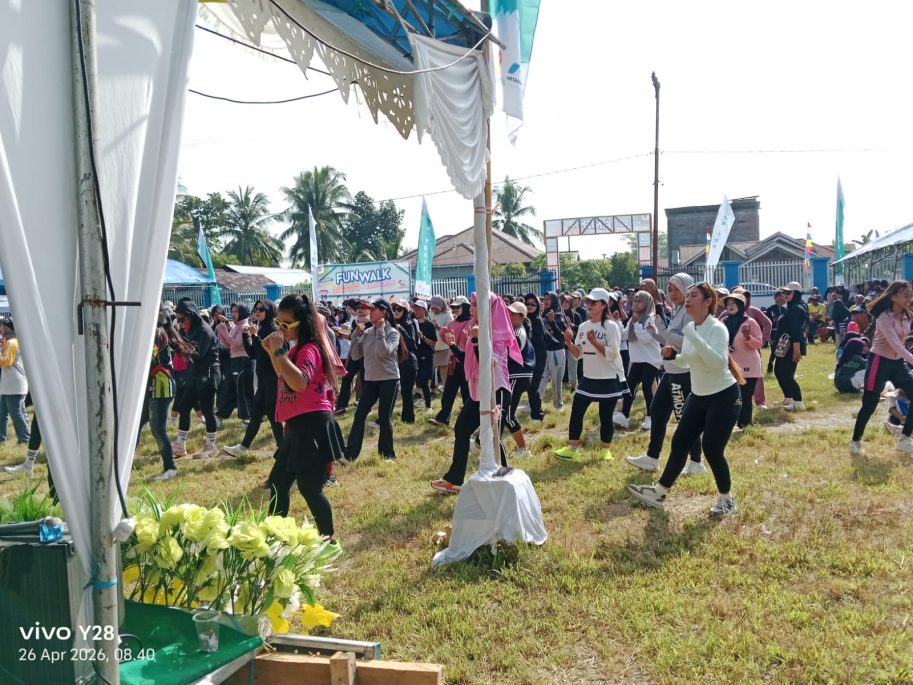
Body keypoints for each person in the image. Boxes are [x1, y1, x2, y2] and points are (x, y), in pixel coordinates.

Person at [628, 283, 744, 516]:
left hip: (724, 397)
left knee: (712, 449)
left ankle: (727, 500)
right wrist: (674, 356)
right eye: (687, 295)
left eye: (693, 296)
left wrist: (692, 336)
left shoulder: (717, 328)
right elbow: (689, 360)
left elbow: (717, 363)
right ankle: (659, 492)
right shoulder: (692, 327)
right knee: (680, 442)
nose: (688, 299)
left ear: (708, 301)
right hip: (698, 396)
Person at [262, 294, 343, 558]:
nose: (280, 329)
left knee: (310, 488)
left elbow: (299, 383)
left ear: (302, 323)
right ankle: (275, 538)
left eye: (286, 324)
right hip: (298, 427)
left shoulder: (310, 349)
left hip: (313, 425)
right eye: (278, 323)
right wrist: (273, 353)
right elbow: (283, 375)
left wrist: (278, 352)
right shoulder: (295, 349)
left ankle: (329, 541)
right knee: (278, 483)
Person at [431, 293, 521, 494]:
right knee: (462, 429)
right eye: (471, 305)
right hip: (479, 392)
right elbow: (467, 359)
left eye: (475, 305)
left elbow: (488, 365)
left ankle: (505, 480)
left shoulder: (495, 333)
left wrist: (477, 341)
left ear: (489, 309)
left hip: (496, 392)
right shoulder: (476, 329)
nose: (471, 309)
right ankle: (454, 479)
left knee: (490, 438)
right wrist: (453, 344)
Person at [626, 273, 705, 474]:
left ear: (688, 289)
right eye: (670, 289)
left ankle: (696, 462)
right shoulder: (679, 310)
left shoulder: (689, 312)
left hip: (682, 372)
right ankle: (652, 457)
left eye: (677, 289)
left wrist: (664, 331)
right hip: (670, 371)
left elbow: (688, 342)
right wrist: (657, 333)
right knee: (658, 412)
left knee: (684, 419)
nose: (672, 293)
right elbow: (669, 340)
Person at [553, 288, 627, 461]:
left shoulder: (611, 326)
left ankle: (605, 451)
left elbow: (613, 354)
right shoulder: (584, 326)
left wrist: (594, 342)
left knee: (605, 416)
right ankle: (572, 448)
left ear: (604, 305)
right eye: (588, 301)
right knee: (577, 410)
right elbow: (577, 354)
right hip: (588, 378)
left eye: (594, 302)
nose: (589, 305)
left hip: (608, 378)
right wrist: (568, 342)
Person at [849, 281, 913, 456]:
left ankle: (905, 438)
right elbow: (895, 344)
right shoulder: (884, 317)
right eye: (906, 296)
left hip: (898, 363)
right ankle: (855, 441)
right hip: (879, 361)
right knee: (870, 404)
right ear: (893, 297)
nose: (909, 299)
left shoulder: (907, 315)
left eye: (911, 296)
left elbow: (902, 343)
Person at [223, 300, 285, 458]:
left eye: (261, 309)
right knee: (260, 415)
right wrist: (247, 335)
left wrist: (255, 335)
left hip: (273, 380)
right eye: (256, 309)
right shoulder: (260, 328)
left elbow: (267, 351)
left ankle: (282, 448)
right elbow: (252, 354)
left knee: (271, 416)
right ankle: (245, 447)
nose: (257, 311)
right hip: (264, 380)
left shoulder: (273, 330)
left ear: (269, 312)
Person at [139, 306, 193, 480]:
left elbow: (149, 357)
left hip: (161, 385)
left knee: (157, 429)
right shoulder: (159, 331)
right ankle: (123, 459)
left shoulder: (156, 332)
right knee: (138, 422)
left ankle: (170, 468)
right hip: (156, 384)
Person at [344, 299, 401, 462]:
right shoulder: (368, 332)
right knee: (359, 414)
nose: (370, 312)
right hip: (370, 380)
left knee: (384, 417)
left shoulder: (393, 332)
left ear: (383, 312)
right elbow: (356, 355)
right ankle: (350, 454)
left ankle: (387, 454)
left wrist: (381, 330)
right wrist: (355, 334)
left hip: (389, 379)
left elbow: (384, 352)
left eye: (373, 309)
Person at [172, 299, 221, 458]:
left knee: (207, 409)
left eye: (182, 319)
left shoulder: (204, 330)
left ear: (191, 315)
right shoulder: (189, 329)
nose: (180, 322)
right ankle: (180, 445)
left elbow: (198, 354)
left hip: (209, 372)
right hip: (196, 373)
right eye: (177, 319)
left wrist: (180, 344)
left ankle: (211, 446)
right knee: (184, 406)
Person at [618, 290, 663, 431]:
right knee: (629, 387)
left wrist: (636, 324)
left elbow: (646, 338)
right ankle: (624, 415)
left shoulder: (650, 319)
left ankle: (651, 417)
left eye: (639, 301)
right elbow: (624, 336)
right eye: (635, 301)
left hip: (651, 359)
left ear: (647, 303)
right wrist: (618, 322)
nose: (636, 304)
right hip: (638, 360)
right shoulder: (634, 318)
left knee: (647, 387)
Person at [429, 296, 473, 427]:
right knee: (448, 391)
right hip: (453, 363)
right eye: (453, 307)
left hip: (467, 363)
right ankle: (443, 419)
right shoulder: (452, 324)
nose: (454, 309)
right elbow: (446, 339)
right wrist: (441, 331)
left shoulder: (472, 324)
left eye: (458, 307)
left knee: (467, 393)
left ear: (465, 307)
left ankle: (469, 420)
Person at [722, 293, 763, 429]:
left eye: (733, 303)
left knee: (745, 396)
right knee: (731, 396)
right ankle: (731, 422)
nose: (730, 306)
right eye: (728, 304)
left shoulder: (750, 322)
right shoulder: (723, 322)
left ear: (741, 305)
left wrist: (748, 337)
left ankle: (745, 424)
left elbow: (758, 344)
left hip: (749, 366)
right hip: (730, 366)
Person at [504, 301, 534, 458]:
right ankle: (482, 443)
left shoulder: (516, 333)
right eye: (508, 313)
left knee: (508, 415)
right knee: (501, 412)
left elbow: (506, 354)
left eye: (513, 314)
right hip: (517, 376)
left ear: (521, 317)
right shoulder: (516, 330)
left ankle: (523, 450)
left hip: (517, 375)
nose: (508, 316)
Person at [771, 281, 809, 411]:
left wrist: (796, 350)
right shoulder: (793, 307)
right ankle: (789, 398)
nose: (785, 295)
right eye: (784, 292)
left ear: (796, 294)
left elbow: (795, 330)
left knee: (786, 374)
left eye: (788, 292)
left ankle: (798, 402)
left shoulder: (796, 309)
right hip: (785, 346)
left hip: (791, 347)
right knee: (779, 371)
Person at [215, 303, 254, 422]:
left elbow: (236, 343)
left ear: (242, 312)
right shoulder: (237, 326)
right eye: (232, 311)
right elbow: (228, 344)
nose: (233, 314)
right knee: (228, 389)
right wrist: (225, 327)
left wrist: (223, 329)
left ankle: (246, 417)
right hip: (234, 361)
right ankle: (220, 415)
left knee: (241, 390)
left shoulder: (245, 326)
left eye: (236, 311)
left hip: (243, 361)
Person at [334, 299, 371, 414]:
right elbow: (353, 337)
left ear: (369, 309)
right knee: (346, 378)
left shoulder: (372, 322)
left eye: (363, 308)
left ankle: (366, 405)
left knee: (365, 380)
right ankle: (341, 405)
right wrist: (341, 335)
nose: (359, 310)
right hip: (354, 353)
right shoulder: (355, 322)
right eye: (358, 307)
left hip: (366, 355)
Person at [0, 317, 30, 446]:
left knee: (16, 414)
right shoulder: (12, 342)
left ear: (7, 327)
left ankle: (25, 438)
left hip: (13, 385)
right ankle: (2, 439)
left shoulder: (12, 342)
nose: (0, 329)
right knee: (3, 414)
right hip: (10, 385)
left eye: (1, 326)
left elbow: (6, 361)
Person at [538, 291, 568, 410]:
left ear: (554, 300)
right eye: (544, 299)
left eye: (548, 299)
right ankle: (535, 403)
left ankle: (558, 405)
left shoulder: (559, 315)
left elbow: (560, 336)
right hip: (544, 351)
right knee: (541, 378)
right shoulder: (542, 314)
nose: (545, 301)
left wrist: (552, 321)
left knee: (556, 380)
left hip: (556, 352)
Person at [391, 297, 418, 424]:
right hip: (397, 363)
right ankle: (404, 418)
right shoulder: (391, 325)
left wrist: (401, 329)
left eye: (399, 309)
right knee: (400, 392)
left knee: (406, 392)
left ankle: (409, 419)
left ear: (405, 311)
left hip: (409, 363)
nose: (396, 311)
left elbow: (412, 344)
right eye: (393, 309)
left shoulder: (409, 324)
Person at [523, 293, 547, 420]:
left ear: (538, 306)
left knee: (533, 387)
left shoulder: (537, 321)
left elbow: (539, 342)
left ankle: (537, 415)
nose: (530, 306)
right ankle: (535, 412)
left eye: (533, 304)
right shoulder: (523, 320)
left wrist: (528, 331)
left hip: (538, 358)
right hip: (527, 357)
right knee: (529, 387)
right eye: (527, 303)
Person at [411, 300, 438, 413]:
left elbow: (433, 343)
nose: (416, 311)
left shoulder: (429, 325)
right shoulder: (412, 323)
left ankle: (428, 406)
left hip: (427, 356)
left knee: (424, 381)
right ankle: (417, 403)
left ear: (424, 310)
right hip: (414, 356)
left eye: (418, 309)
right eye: (415, 309)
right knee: (416, 382)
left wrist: (423, 338)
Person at [428, 296, 454, 394]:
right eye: (433, 308)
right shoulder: (430, 314)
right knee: (429, 371)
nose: (434, 310)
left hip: (444, 347)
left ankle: (447, 391)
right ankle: (427, 392)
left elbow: (451, 331)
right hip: (432, 346)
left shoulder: (448, 315)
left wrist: (438, 327)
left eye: (436, 308)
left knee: (444, 371)